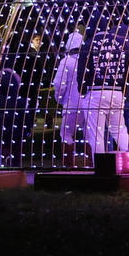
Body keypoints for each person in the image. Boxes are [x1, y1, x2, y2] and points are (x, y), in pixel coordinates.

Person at [77, 17, 129, 155]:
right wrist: (124, 90)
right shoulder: (121, 44)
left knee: (96, 134)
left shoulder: (88, 45)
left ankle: (100, 167)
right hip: (116, 92)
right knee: (119, 129)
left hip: (95, 92)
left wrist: (82, 91)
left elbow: (82, 71)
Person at [52, 31, 85, 166]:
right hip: (88, 104)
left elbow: (59, 84)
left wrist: (59, 99)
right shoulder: (87, 60)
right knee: (89, 136)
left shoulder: (66, 61)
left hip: (71, 103)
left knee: (66, 134)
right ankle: (90, 164)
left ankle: (69, 165)